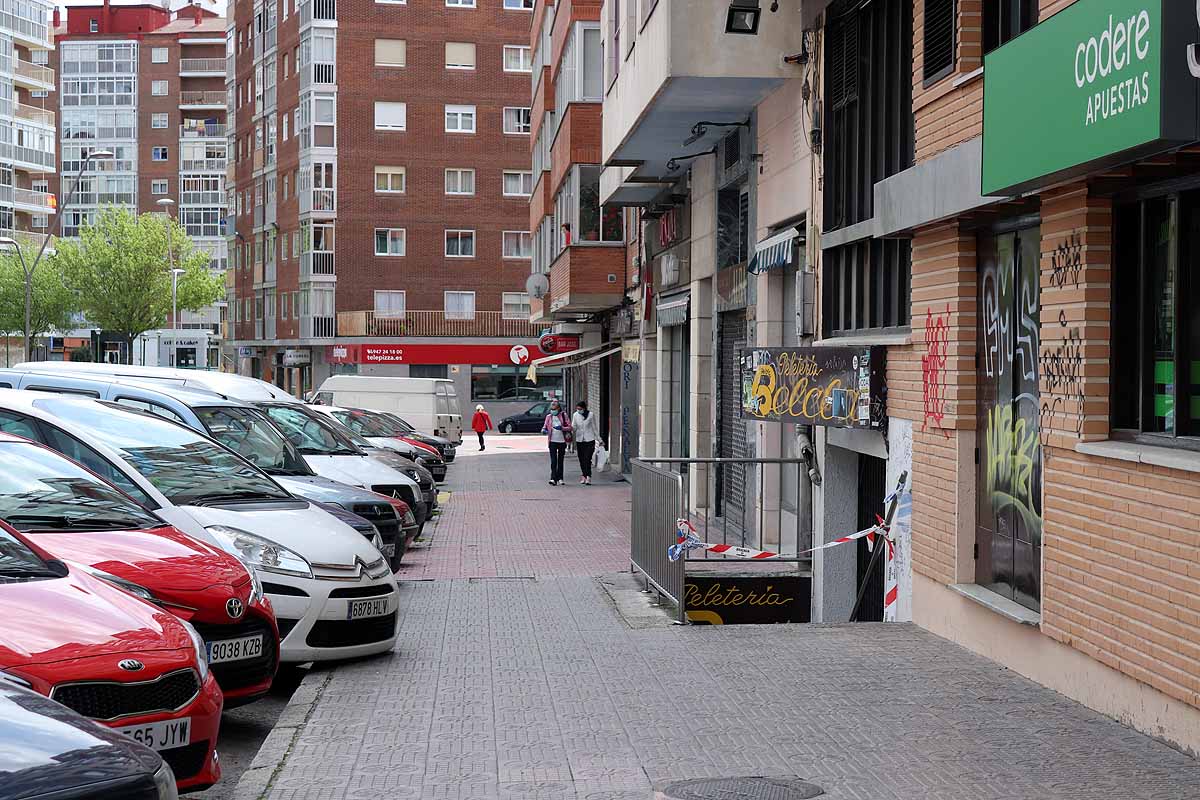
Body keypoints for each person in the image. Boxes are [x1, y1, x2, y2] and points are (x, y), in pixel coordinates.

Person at [541, 399, 572, 485]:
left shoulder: (563, 415)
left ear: (558, 409)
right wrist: (544, 430)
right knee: (553, 460)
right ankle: (553, 478)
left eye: (554, 409)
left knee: (560, 460)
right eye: (552, 409)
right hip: (552, 441)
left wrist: (562, 428)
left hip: (562, 441)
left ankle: (560, 478)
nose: (553, 410)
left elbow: (570, 427)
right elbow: (544, 427)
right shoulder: (548, 417)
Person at [571, 401, 600, 485]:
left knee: (587, 458)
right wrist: (569, 432)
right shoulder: (575, 415)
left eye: (580, 409)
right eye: (577, 409)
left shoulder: (591, 415)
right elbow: (574, 427)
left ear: (584, 408)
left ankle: (588, 476)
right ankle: (584, 475)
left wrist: (599, 439)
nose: (578, 410)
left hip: (590, 440)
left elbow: (594, 428)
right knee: (581, 459)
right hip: (580, 440)